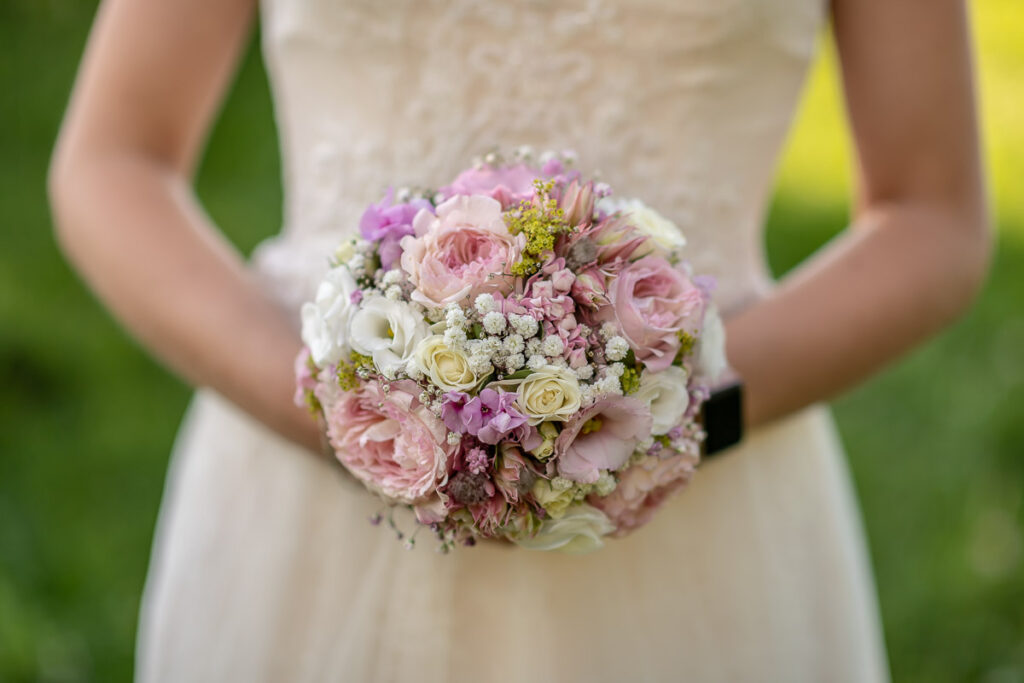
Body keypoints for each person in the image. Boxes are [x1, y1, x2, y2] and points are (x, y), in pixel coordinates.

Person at [48, 0, 990, 680]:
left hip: (699, 517)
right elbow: (114, 160)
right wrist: (353, 416)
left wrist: (671, 416)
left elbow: (932, 215)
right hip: (303, 493)